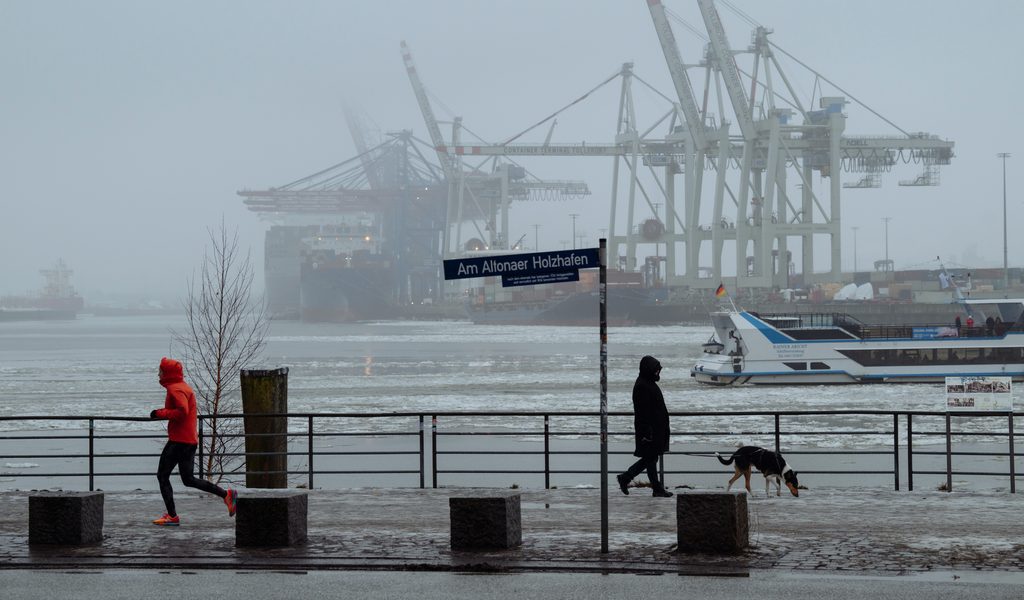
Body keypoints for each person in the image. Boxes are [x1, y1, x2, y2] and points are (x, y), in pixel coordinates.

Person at [150, 357, 237, 526]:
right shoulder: (183, 387)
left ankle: (172, 516)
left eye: (160, 371)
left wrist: (160, 413)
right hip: (189, 441)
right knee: (188, 479)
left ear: (168, 373)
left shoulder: (175, 389)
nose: (158, 374)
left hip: (178, 441)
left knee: (162, 476)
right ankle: (226, 495)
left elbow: (182, 410)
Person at [616, 356, 673, 498]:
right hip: (649, 431)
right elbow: (643, 411)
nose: (658, 373)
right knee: (650, 459)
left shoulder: (648, 382)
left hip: (654, 430)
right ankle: (627, 477)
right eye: (656, 370)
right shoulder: (642, 385)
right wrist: (647, 432)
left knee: (651, 459)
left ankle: (655, 488)